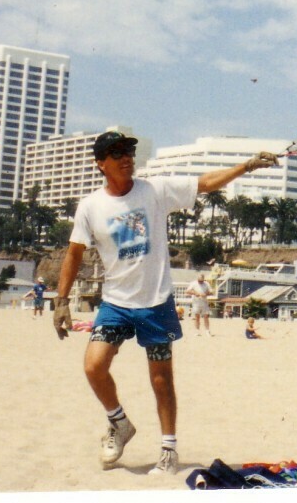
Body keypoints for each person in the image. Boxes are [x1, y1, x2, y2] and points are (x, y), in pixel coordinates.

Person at [51, 130, 277, 476]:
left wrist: (246, 165)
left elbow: (204, 183)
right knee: (94, 366)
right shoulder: (90, 206)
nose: (126, 158)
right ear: (101, 164)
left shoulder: (154, 191)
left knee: (160, 379)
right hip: (115, 303)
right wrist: (62, 300)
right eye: (116, 154)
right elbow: (74, 253)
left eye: (128, 151)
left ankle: (168, 450)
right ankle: (120, 424)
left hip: (155, 302)